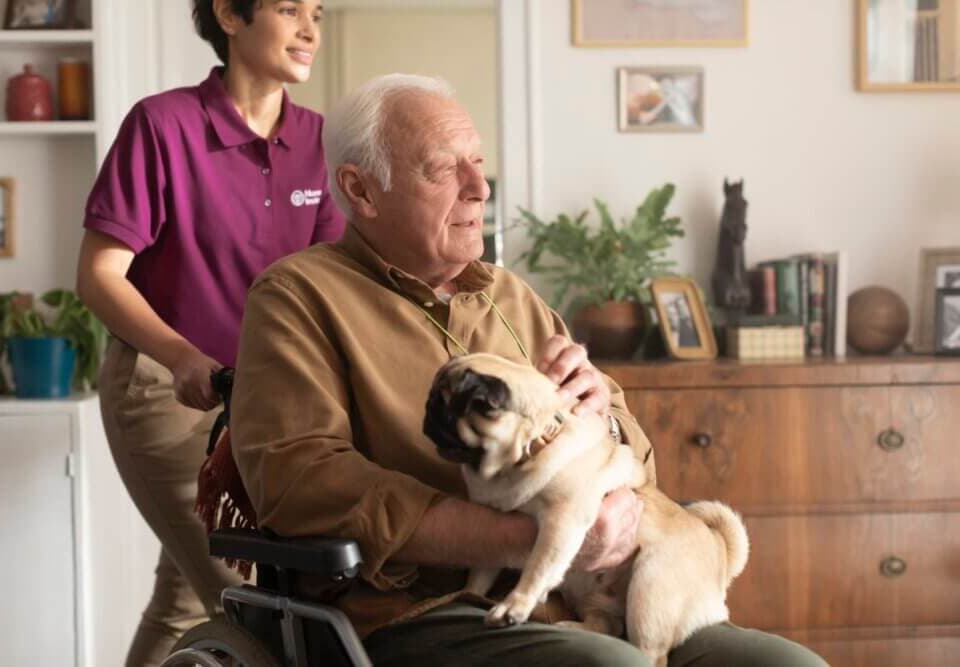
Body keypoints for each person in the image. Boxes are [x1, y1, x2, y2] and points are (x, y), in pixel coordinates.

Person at [229, 74, 826, 666]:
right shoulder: (297, 297)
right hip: (416, 613)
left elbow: (636, 458)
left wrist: (602, 417)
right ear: (361, 191)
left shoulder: (509, 296)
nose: (479, 187)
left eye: (478, 163)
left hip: (584, 601)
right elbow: (302, 482)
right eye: (443, 169)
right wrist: (533, 541)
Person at [75, 1, 343, 664]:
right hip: (165, 392)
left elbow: (333, 289)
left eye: (318, 11)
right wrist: (181, 355)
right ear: (229, 13)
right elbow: (100, 274)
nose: (312, 29)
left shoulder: (321, 142)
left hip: (262, 405)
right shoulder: (163, 125)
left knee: (183, 602)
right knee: (251, 604)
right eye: (289, 9)